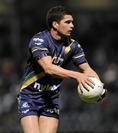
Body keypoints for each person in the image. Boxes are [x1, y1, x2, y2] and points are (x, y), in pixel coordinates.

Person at [17, 5, 103, 133]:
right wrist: (77, 76)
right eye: (67, 22)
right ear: (55, 24)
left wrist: (99, 86)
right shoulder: (39, 40)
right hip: (29, 96)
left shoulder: (74, 46)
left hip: (51, 98)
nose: (72, 25)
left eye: (72, 22)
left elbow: (88, 70)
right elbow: (49, 68)